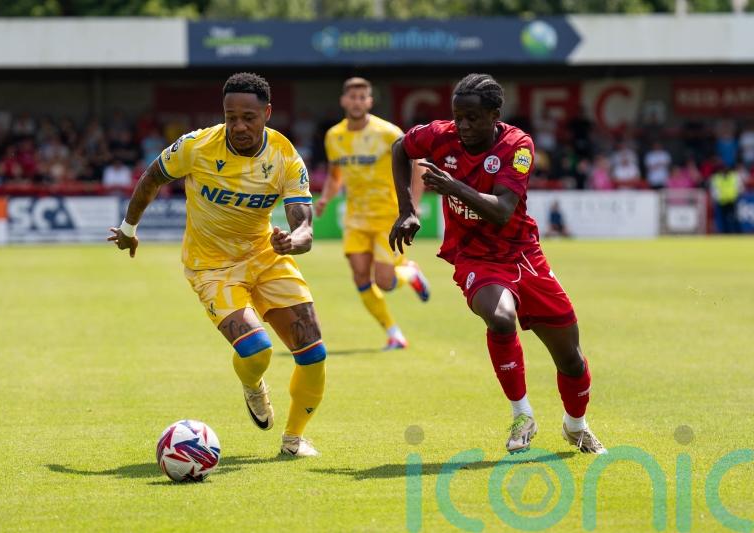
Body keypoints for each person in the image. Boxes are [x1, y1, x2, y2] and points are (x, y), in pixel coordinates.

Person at [108, 73, 326, 457]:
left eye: (248, 118)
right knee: (256, 351)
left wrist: (292, 242)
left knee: (312, 352)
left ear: (267, 114)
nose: (238, 126)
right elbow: (152, 178)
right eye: (231, 117)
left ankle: (294, 439)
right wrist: (128, 228)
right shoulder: (196, 146)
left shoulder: (284, 156)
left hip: (265, 256)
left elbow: (304, 225)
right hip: (211, 267)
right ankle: (253, 385)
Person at [390, 73, 606, 455]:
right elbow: (399, 148)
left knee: (571, 359)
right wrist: (407, 209)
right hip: (474, 255)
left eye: (472, 118)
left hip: (524, 255)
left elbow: (503, 210)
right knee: (501, 317)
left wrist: (452, 186)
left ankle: (576, 426)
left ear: (494, 116)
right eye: (458, 116)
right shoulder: (440, 136)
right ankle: (523, 415)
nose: (463, 125)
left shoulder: (518, 146)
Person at [319, 77, 430, 350]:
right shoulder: (333, 136)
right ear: (344, 100)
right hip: (355, 218)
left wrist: (412, 206)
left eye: (362, 97)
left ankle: (410, 274)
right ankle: (394, 333)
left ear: (369, 102)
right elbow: (335, 175)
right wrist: (325, 199)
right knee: (360, 275)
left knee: (385, 281)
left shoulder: (388, 132)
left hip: (388, 217)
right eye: (352, 97)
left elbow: (420, 163)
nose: (356, 102)